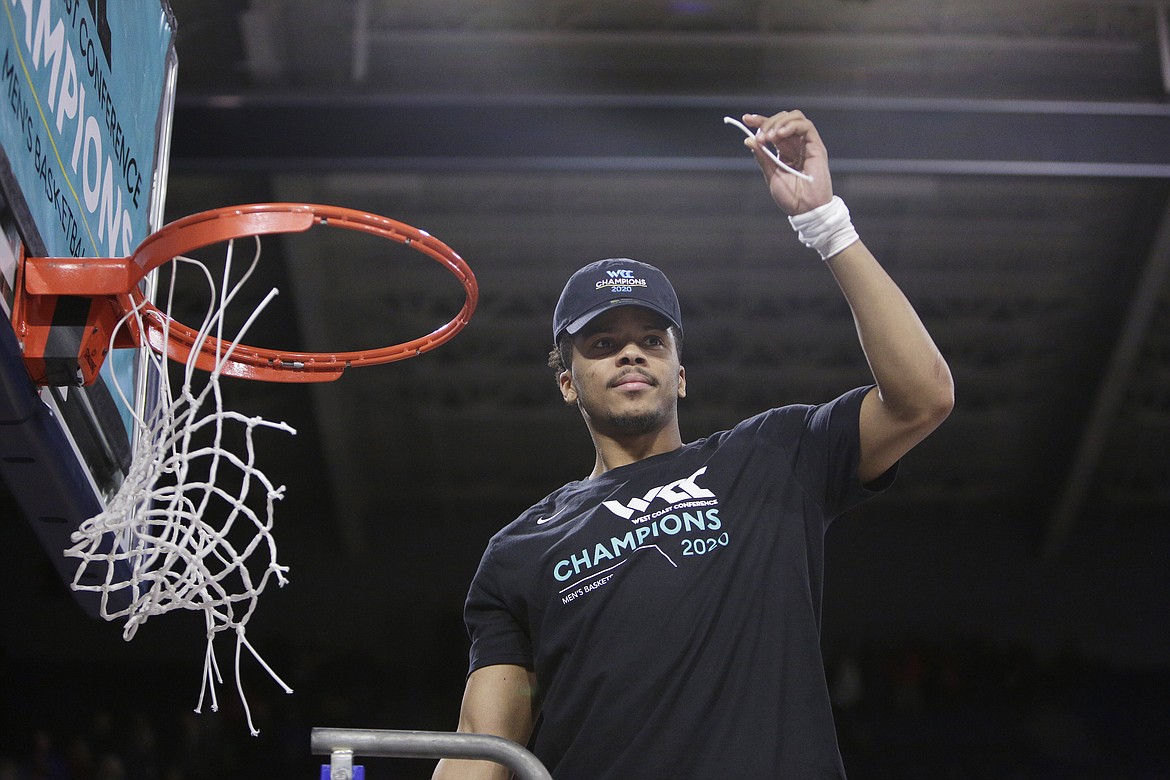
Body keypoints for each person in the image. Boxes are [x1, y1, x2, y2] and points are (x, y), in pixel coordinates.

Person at [432, 110, 954, 779]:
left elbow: (924, 397)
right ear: (568, 382)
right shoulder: (517, 551)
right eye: (602, 344)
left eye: (652, 341)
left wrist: (824, 221)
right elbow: (484, 746)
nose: (631, 355)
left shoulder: (771, 456)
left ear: (680, 374)